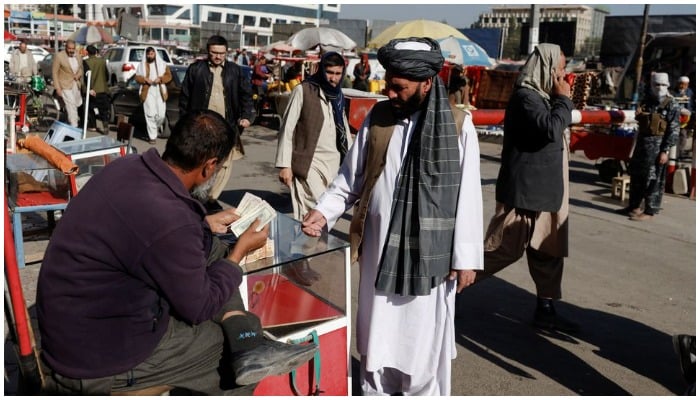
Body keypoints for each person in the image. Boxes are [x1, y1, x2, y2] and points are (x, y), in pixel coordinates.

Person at [37, 111, 317, 395]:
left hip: (73, 323)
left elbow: (151, 230)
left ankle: (241, 331)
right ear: (209, 167)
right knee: (228, 356)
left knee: (213, 248)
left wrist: (203, 224)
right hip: (98, 357)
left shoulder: (128, 167)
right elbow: (199, 307)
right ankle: (243, 343)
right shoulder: (172, 221)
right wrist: (238, 256)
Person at [301, 37, 484, 395]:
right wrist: (323, 213)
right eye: (389, 85)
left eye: (399, 87)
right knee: (376, 345)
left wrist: (466, 259)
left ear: (426, 83)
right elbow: (350, 179)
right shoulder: (379, 118)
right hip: (378, 254)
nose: (390, 93)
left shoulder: (460, 126)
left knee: (420, 352)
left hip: (430, 261)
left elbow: (469, 199)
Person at [471, 43, 578, 333]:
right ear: (547, 67)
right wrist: (564, 101)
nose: (564, 75)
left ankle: (546, 309)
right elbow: (551, 129)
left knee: (548, 252)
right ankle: (445, 289)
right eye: (560, 68)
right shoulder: (526, 98)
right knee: (500, 249)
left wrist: (560, 102)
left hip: (546, 192)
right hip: (524, 192)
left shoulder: (543, 97)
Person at [179, 35, 255, 212]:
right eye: (214, 53)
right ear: (208, 51)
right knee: (201, 163)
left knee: (224, 165)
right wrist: (185, 123)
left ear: (226, 52)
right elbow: (184, 98)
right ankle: (198, 197)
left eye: (222, 53)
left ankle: (209, 197)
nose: (218, 57)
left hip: (227, 128)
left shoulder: (235, 71)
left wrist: (246, 116)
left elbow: (246, 96)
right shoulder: (196, 69)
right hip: (202, 127)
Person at [275, 51, 350, 221]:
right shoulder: (303, 90)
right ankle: (306, 247)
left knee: (328, 211)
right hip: (309, 162)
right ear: (320, 69)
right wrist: (284, 165)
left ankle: (315, 246)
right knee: (313, 210)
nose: (333, 78)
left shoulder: (338, 95)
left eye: (338, 73)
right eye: (329, 72)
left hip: (334, 162)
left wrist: (352, 161)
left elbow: (344, 128)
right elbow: (287, 129)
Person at [624, 72, 680, 221]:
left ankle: (649, 210)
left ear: (667, 85)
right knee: (637, 176)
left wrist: (665, 150)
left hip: (657, 147)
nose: (660, 88)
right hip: (642, 145)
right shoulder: (647, 102)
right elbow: (640, 120)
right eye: (656, 84)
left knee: (653, 180)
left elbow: (673, 130)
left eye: (663, 84)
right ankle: (634, 206)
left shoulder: (672, 105)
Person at [135, 47, 173, 144]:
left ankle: (155, 128)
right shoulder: (142, 65)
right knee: (150, 114)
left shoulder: (162, 65)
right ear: (146, 55)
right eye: (148, 54)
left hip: (160, 90)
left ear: (155, 54)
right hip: (147, 91)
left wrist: (160, 79)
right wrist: (145, 80)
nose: (150, 55)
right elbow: (137, 77)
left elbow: (169, 76)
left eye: (152, 53)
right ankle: (152, 137)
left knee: (160, 115)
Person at [52, 39, 84, 127]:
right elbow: (54, 72)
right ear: (66, 47)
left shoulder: (77, 55)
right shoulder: (59, 56)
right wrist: (57, 88)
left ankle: (67, 121)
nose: (71, 50)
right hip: (64, 84)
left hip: (75, 84)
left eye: (73, 49)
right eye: (69, 48)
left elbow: (81, 69)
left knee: (76, 104)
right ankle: (74, 125)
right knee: (71, 104)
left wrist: (78, 75)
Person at [82, 44, 110, 133]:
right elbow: (107, 75)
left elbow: (84, 78)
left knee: (90, 108)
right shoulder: (102, 61)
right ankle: (105, 126)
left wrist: (87, 88)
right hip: (102, 89)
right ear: (96, 52)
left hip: (91, 90)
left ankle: (93, 126)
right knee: (104, 109)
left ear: (87, 52)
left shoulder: (85, 62)